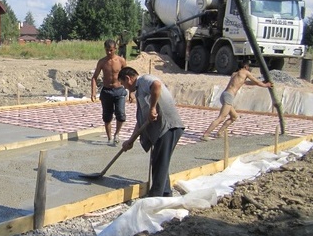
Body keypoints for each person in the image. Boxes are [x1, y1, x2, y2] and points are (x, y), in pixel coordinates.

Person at [118, 66, 185, 197]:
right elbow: (141, 121)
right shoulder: (140, 92)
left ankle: (155, 196)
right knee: (160, 161)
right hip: (163, 129)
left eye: (124, 84)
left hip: (168, 127)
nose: (125, 88)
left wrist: (153, 108)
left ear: (128, 78)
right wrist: (130, 141)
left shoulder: (144, 80)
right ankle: (165, 193)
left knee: (159, 163)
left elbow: (156, 85)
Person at [201, 60, 273, 140]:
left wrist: (262, 83)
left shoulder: (235, 74)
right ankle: (205, 135)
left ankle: (219, 133)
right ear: (246, 66)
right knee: (221, 117)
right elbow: (256, 81)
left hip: (225, 94)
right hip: (229, 96)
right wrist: (266, 85)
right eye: (248, 67)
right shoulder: (245, 72)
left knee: (234, 117)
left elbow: (246, 83)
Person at [91, 39, 128, 145]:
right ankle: (109, 138)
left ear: (115, 49)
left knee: (120, 114)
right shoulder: (102, 62)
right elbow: (94, 77)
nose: (109, 52)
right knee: (107, 116)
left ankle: (117, 134)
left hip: (119, 90)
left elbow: (128, 75)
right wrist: (93, 92)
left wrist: (131, 92)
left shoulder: (121, 61)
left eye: (111, 50)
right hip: (107, 91)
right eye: (107, 50)